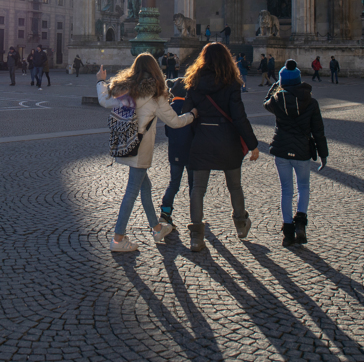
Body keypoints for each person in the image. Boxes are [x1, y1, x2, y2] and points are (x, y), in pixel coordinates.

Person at [97, 54, 196, 253]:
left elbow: (103, 100)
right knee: (132, 191)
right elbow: (175, 122)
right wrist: (192, 115)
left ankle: (157, 228)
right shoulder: (156, 95)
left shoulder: (125, 89)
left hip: (126, 143)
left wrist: (101, 80)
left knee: (145, 187)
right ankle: (118, 238)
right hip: (141, 149)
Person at [182, 42, 260, 252]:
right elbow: (239, 116)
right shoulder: (231, 83)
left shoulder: (194, 82)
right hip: (227, 139)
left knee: (198, 189)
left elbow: (186, 110)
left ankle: (196, 237)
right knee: (235, 186)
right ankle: (241, 224)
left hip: (203, 138)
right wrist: (253, 144)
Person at [264, 60, 329, 247]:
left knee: (286, 190)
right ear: (299, 80)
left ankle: (288, 232)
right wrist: (323, 154)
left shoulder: (277, 100)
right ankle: (300, 222)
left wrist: (275, 86)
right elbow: (318, 131)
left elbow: (264, 102)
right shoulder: (312, 102)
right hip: (302, 151)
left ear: (282, 83)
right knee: (303, 187)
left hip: (282, 151)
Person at [159, 77, 194, 227]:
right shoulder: (191, 108)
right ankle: (196, 216)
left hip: (175, 152)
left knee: (174, 184)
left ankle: (165, 214)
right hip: (192, 152)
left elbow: (167, 131)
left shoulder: (170, 108)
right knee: (194, 185)